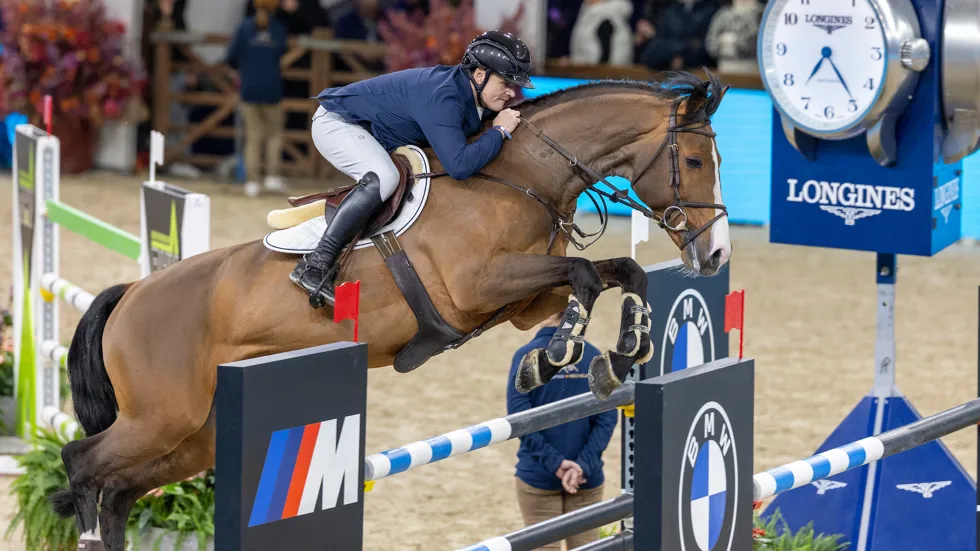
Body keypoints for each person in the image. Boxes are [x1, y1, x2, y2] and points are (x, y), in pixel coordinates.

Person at [290, 31, 534, 308]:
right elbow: (460, 166)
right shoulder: (444, 96)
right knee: (385, 177)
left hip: (369, 132)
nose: (511, 92)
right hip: (337, 123)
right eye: (505, 83)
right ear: (479, 75)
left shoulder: (468, 93)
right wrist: (500, 131)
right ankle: (315, 264)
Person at [506, 311, 618, 550]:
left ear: (546, 315)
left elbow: (519, 419)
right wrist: (582, 464)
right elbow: (607, 418)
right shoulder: (594, 356)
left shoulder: (526, 356)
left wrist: (555, 463)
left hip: (538, 476)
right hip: (585, 476)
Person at [226, 0, 289, 197]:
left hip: (249, 88)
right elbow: (282, 54)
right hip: (272, 88)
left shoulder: (244, 28)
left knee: (253, 137)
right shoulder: (278, 29)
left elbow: (232, 56)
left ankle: (252, 181)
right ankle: (272, 176)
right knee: (274, 135)